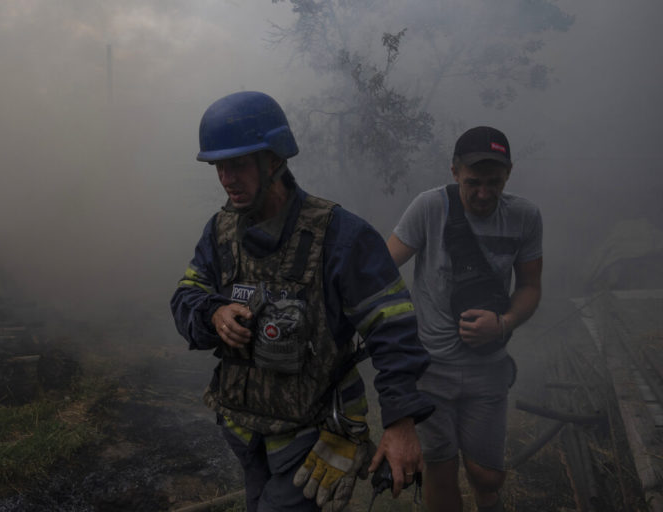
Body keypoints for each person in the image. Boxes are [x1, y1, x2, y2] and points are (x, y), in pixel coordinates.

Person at [170, 91, 434, 512]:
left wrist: (400, 424)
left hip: (313, 437)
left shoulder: (340, 236)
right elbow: (186, 294)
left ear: (274, 160)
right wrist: (212, 312)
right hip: (244, 432)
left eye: (237, 164)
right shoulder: (219, 232)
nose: (226, 178)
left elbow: (394, 329)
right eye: (218, 166)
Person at [386, 126, 543, 512]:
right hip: (431, 369)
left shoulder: (524, 217)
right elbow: (382, 266)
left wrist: (503, 323)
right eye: (473, 182)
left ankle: (487, 499)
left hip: (488, 367)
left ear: (509, 174)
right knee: (440, 470)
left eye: (494, 182)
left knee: (486, 474)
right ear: (455, 172)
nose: (484, 193)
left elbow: (530, 287)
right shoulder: (429, 208)